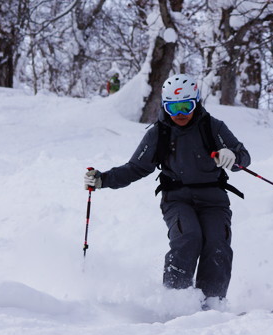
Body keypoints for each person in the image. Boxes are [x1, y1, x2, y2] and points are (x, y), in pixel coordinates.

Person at [84, 73, 251, 308]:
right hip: (177, 199)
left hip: (214, 199)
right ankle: (175, 301)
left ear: (197, 102)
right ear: (165, 106)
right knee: (189, 237)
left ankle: (213, 304)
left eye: (186, 106)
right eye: (174, 107)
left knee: (217, 243)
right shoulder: (158, 133)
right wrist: (104, 179)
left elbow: (243, 157)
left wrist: (232, 156)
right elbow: (135, 168)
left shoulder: (213, 127)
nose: (180, 113)